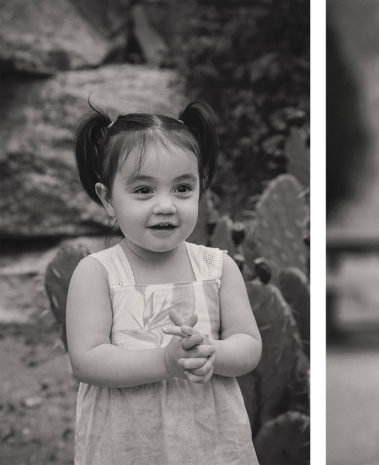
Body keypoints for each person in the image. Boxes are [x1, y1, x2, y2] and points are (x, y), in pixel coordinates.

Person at [65, 101, 261, 464]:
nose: (166, 205)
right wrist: (164, 362)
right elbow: (86, 360)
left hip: (208, 443)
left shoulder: (216, 268)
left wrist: (213, 352)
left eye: (183, 188)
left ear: (201, 188)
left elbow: (248, 345)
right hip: (127, 444)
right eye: (143, 191)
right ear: (107, 198)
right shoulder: (98, 273)